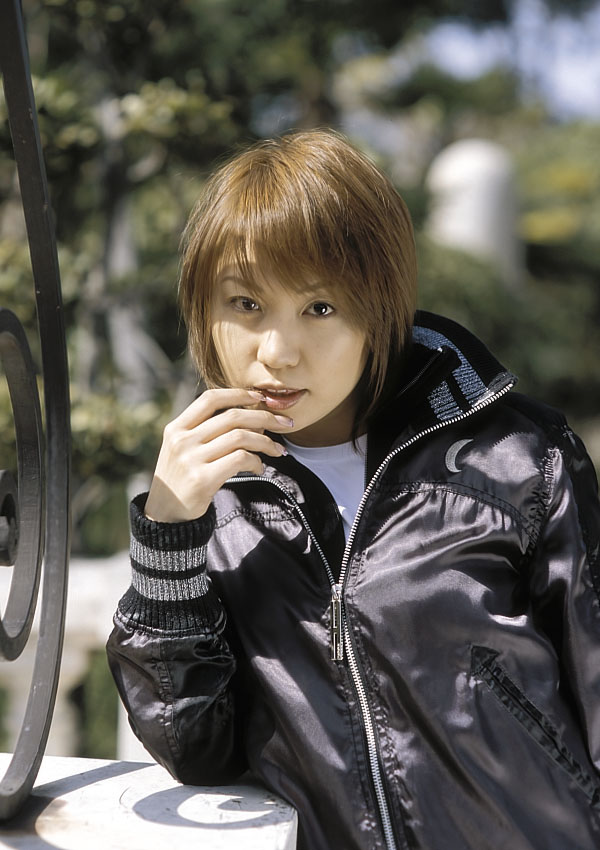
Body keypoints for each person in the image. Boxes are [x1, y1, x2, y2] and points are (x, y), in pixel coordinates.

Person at [106, 129, 600, 850]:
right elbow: (196, 749)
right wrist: (169, 534)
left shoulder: (519, 459)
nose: (277, 352)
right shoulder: (210, 500)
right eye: (245, 304)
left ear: (379, 311)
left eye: (320, 308)